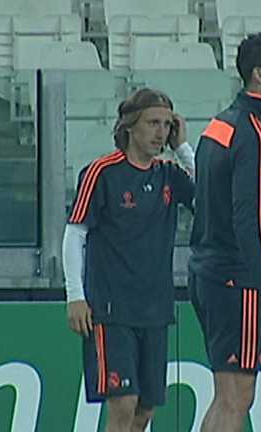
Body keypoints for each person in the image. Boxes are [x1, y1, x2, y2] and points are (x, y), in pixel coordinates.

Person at [62, 88, 195, 432]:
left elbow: (210, 199)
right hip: (112, 308)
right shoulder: (101, 173)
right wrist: (75, 296)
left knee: (144, 410)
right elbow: (75, 233)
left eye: (166, 125)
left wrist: (183, 147)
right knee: (122, 402)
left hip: (155, 308)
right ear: (130, 126)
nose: (160, 133)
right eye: (152, 123)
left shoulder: (169, 174)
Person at [188, 31, 261, 432]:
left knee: (226, 395)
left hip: (206, 273)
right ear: (259, 75)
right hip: (237, 280)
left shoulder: (219, 124)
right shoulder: (255, 135)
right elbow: (249, 221)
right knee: (237, 397)